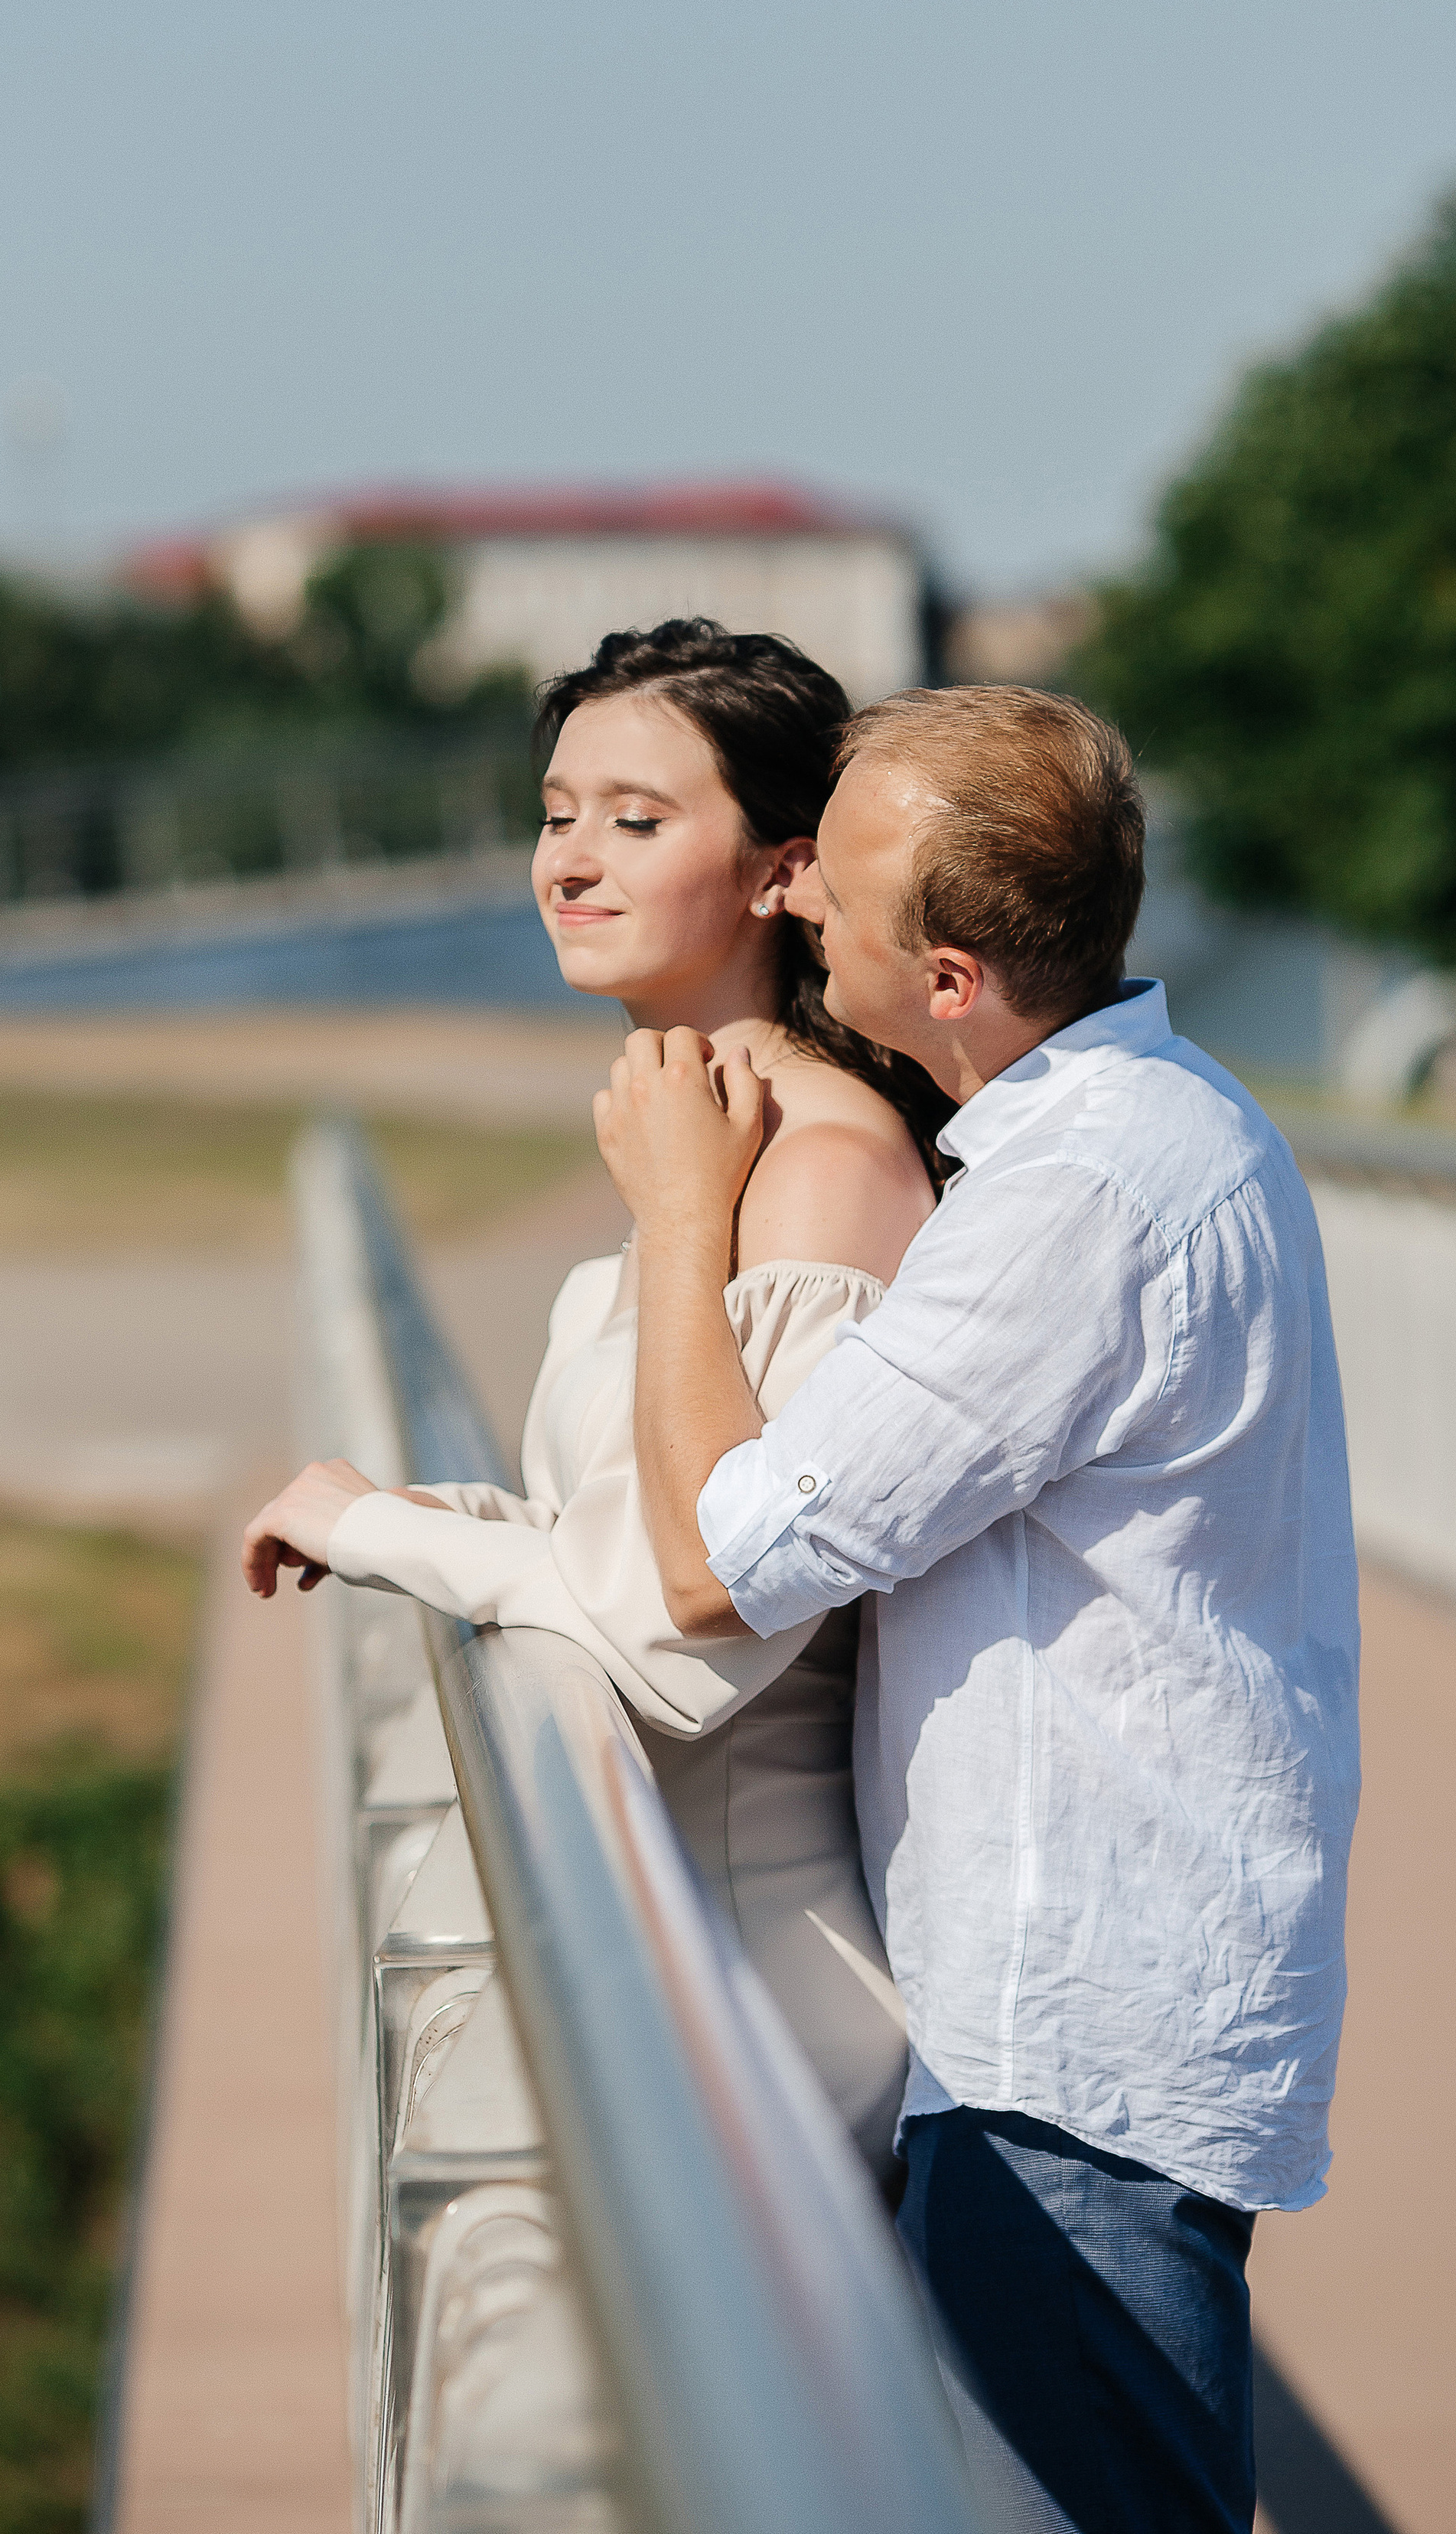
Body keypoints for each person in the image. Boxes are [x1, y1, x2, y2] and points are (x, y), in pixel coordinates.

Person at [591, 683, 1360, 2534]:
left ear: (948, 981)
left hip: (1064, 2057)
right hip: (1102, 2011)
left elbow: (722, 1557)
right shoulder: (1157, 1120)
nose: (788, 910)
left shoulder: (1071, 1200)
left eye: (830, 898)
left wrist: (682, 1212)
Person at [243, 620, 946, 2182]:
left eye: (636, 820)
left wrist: (385, 1532)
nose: (569, 860)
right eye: (556, 813)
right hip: (671, 1951)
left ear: (780, 873)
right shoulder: (693, 1135)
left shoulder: (820, 1169)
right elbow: (626, 1521)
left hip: (761, 1997)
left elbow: (686, 1634)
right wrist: (452, 1516)